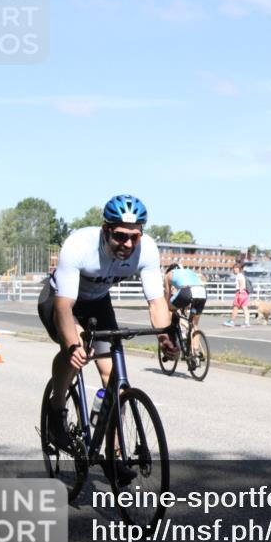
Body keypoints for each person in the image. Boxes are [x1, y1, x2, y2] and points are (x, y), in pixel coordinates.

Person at [37, 194, 178, 484]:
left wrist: (164, 336)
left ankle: (112, 454)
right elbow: (64, 307)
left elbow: (156, 302)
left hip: (98, 302)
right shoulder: (79, 246)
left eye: (134, 237)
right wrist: (74, 344)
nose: (127, 244)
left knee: (113, 377)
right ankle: (57, 411)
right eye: (120, 236)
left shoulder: (147, 250)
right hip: (61, 299)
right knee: (75, 351)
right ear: (106, 230)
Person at [163, 262, 207, 354]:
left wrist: (166, 306)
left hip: (187, 292)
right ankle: (196, 352)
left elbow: (167, 294)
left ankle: (176, 331)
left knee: (169, 308)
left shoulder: (168, 275)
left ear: (169, 270)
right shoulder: (189, 271)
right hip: (202, 292)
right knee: (194, 324)